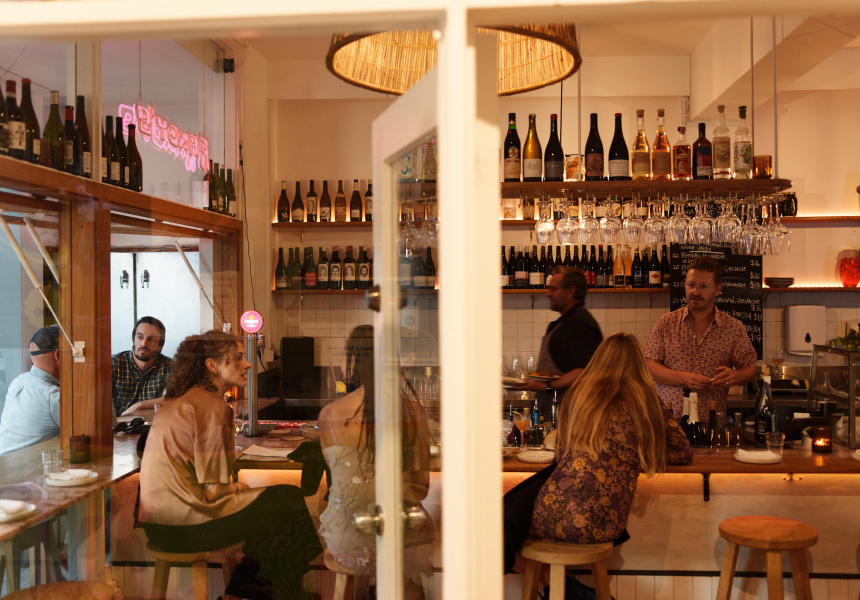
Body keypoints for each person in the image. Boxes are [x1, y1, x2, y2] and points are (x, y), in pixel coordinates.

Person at [138, 330, 321, 600]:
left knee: (274, 504)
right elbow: (214, 491)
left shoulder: (183, 399)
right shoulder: (212, 406)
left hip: (159, 528)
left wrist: (242, 490)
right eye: (238, 357)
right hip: (188, 528)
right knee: (286, 498)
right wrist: (241, 488)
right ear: (212, 365)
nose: (247, 364)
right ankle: (266, 590)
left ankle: (251, 588)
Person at [509, 333, 691, 597]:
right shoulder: (648, 402)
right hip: (608, 524)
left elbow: (561, 454)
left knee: (497, 529)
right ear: (638, 365)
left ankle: (558, 585)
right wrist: (636, 453)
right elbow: (682, 450)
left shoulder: (578, 396)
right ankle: (564, 587)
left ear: (599, 360)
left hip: (554, 512)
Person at [317, 325, 433, 598]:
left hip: (346, 542)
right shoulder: (412, 410)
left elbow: (342, 478)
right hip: (399, 542)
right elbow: (421, 488)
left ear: (353, 360)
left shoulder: (329, 415)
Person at [644, 255, 757, 423]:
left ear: (718, 289)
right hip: (669, 423)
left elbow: (750, 369)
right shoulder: (666, 323)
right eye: (691, 285)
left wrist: (735, 376)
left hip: (711, 422)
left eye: (704, 286)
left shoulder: (733, 327)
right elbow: (650, 367)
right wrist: (684, 378)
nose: (695, 292)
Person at [518, 266, 603, 416]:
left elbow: (586, 369)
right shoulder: (567, 321)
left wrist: (547, 386)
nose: (548, 294)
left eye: (554, 289)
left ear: (571, 291)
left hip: (569, 411)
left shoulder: (579, 323)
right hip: (556, 409)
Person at [0, 325, 61, 455]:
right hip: (28, 466)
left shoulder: (18, 381)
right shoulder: (52, 397)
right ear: (59, 355)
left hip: (4, 462)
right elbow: (99, 427)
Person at [112, 316, 173, 416]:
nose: (144, 343)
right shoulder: (114, 364)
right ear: (133, 340)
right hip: (117, 423)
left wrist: (140, 405)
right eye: (140, 337)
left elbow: (174, 397)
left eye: (151, 339)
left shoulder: (168, 366)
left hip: (151, 424)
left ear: (160, 346)